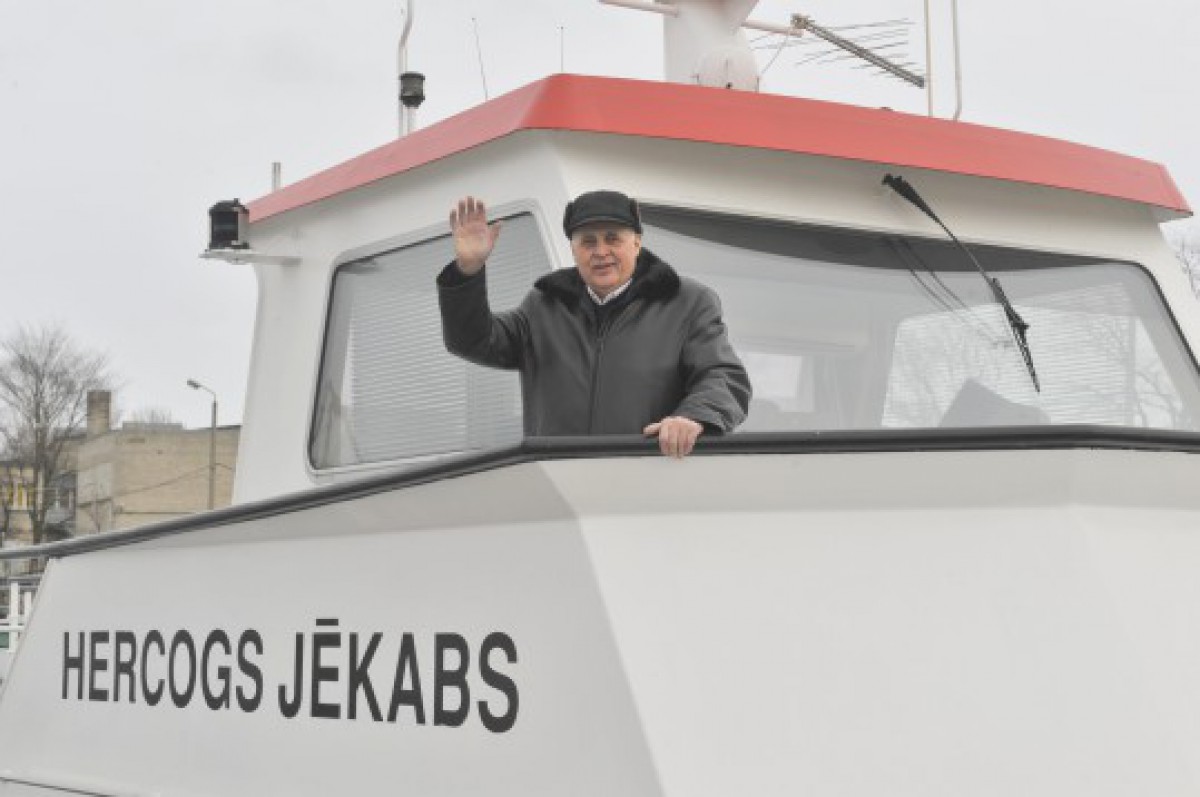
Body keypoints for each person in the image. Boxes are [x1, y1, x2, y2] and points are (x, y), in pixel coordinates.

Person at [437, 190, 751, 458]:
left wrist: (692, 418)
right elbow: (472, 340)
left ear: (636, 243)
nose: (601, 252)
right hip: (561, 489)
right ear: (573, 250)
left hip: (649, 484)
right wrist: (468, 270)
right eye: (588, 242)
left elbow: (723, 376)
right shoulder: (542, 306)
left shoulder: (688, 303)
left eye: (613, 239)